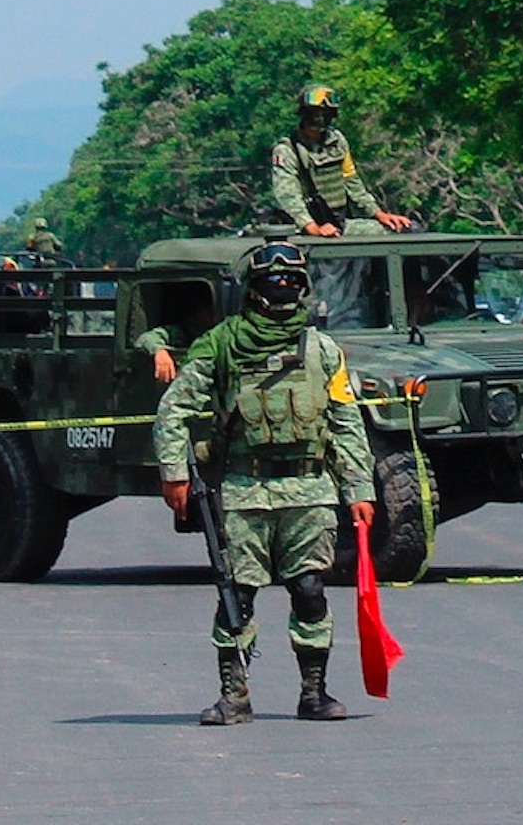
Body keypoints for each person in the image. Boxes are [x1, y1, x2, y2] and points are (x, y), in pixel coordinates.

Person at [151, 240, 376, 725]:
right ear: (252, 289)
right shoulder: (223, 344)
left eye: (291, 281)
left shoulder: (324, 350)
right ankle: (234, 695)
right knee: (238, 595)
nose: (282, 289)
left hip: (310, 492)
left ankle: (314, 693)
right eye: (272, 282)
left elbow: (345, 422)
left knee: (310, 589)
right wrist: (173, 474)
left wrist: (359, 489)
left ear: (304, 287)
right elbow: (175, 408)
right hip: (244, 490)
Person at [269, 84, 411, 237]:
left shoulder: (338, 142)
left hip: (339, 223)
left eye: (326, 112)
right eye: (315, 111)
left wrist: (379, 214)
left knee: (402, 230)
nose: (320, 116)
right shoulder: (287, 150)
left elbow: (352, 183)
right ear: (304, 112)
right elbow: (288, 196)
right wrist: (313, 228)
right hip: (303, 230)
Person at [134, 294, 217, 384]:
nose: (211, 316)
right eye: (208, 311)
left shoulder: (219, 336)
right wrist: (159, 351)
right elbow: (147, 338)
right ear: (198, 313)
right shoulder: (182, 332)